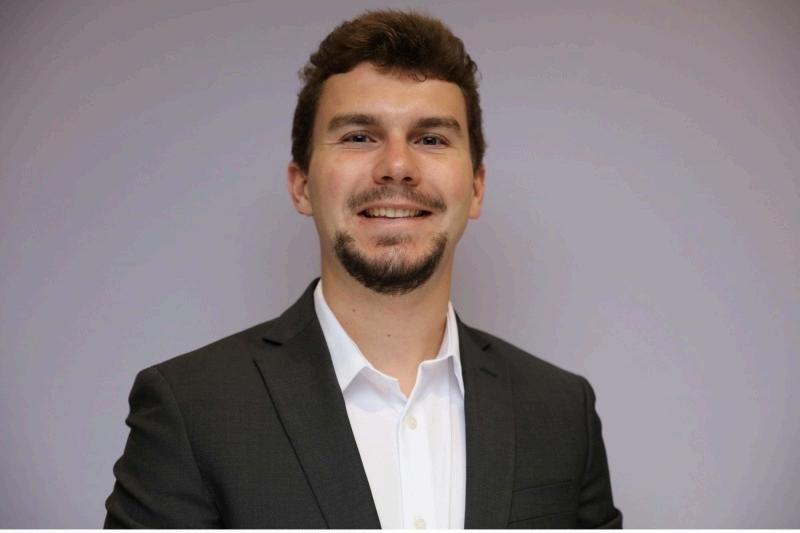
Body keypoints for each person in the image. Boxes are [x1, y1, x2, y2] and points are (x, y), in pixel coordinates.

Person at [104, 9, 621, 529]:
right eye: (358, 136)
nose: (397, 166)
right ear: (302, 185)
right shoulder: (192, 409)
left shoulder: (561, 412)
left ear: (476, 188)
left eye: (431, 139)